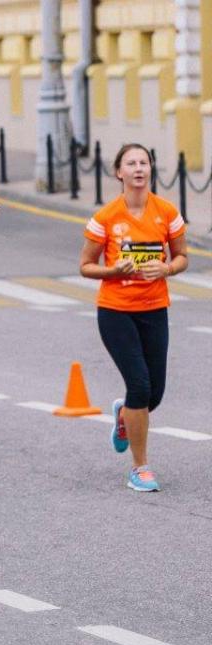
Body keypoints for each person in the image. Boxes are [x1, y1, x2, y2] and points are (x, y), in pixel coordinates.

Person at [79, 143, 188, 492]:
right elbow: (85, 266)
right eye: (131, 163)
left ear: (150, 170)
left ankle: (125, 414)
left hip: (154, 309)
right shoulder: (106, 217)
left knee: (153, 394)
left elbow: (183, 256)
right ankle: (140, 468)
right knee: (139, 385)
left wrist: (167, 267)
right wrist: (113, 270)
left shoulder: (166, 212)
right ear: (119, 172)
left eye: (144, 162)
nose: (139, 168)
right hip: (116, 311)